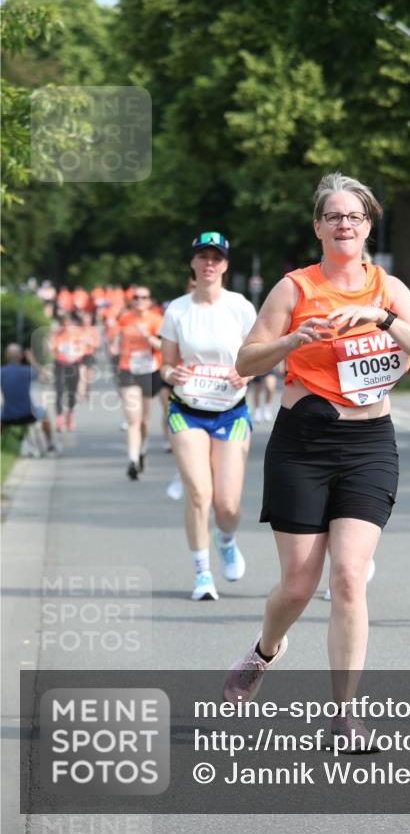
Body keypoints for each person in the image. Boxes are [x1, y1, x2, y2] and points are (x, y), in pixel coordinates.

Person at [223, 172, 410, 743]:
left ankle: (345, 712)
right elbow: (246, 362)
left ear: (368, 225)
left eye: (355, 216)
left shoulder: (388, 288)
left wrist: (381, 318)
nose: (345, 224)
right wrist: (293, 341)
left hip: (369, 444)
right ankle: (265, 651)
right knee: (297, 585)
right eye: (334, 216)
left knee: (348, 576)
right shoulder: (293, 289)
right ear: (318, 226)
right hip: (303, 444)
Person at [159, 232, 257, 601]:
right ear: (193, 263)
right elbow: (166, 365)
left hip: (231, 411)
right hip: (187, 410)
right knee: (199, 493)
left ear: (226, 265)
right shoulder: (178, 310)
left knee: (227, 505)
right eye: (202, 256)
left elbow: (259, 355)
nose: (209, 263)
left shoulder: (241, 307)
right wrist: (172, 374)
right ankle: (202, 575)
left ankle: (226, 539)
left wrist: (245, 373)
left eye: (216, 257)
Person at [114, 286, 163, 480]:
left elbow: (163, 346)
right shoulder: (124, 318)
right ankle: (132, 460)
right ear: (131, 300)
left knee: (144, 420)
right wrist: (114, 346)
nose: (140, 300)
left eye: (144, 297)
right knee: (133, 419)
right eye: (136, 297)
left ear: (149, 300)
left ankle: (142, 450)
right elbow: (118, 338)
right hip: (128, 369)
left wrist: (148, 336)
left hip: (150, 371)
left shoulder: (156, 320)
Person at [1, 344, 57, 452]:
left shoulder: (1, 372)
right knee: (44, 414)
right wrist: (33, 361)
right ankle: (50, 444)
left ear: (6, 357)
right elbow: (47, 378)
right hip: (28, 414)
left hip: (7, 416)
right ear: (21, 357)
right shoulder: (27, 371)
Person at [49, 313, 87, 431]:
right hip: (60, 364)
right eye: (63, 322)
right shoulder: (56, 333)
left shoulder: (77, 333)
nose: (65, 325)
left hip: (73, 364)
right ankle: (59, 419)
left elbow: (82, 348)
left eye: (67, 322)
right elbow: (50, 348)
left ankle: (70, 415)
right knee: (59, 392)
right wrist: (50, 338)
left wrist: (74, 357)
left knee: (72, 392)